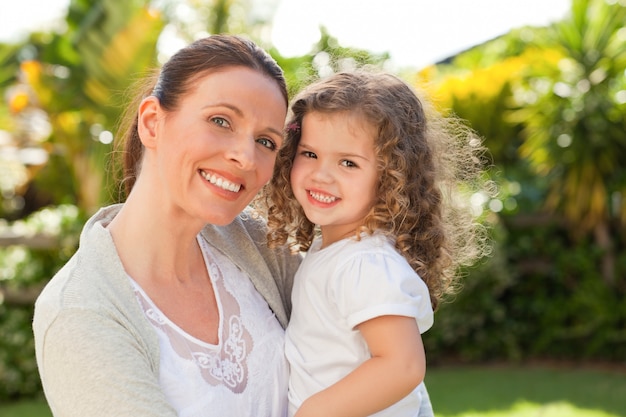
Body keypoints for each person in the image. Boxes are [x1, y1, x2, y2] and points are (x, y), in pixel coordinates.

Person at [32, 34, 302, 417]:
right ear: (152, 123)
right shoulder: (79, 311)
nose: (245, 156)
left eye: (266, 141)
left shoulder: (258, 245)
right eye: (221, 121)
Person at [262, 70, 488, 417]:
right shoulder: (338, 252)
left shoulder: (364, 263)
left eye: (348, 162)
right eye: (309, 154)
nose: (322, 173)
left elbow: (403, 367)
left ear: (391, 177)